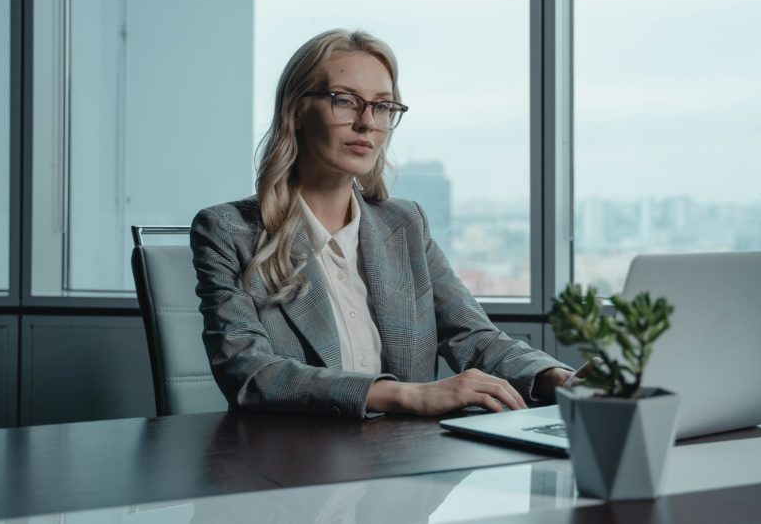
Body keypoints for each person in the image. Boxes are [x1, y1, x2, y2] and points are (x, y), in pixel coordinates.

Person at [190, 29, 573, 419]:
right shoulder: (228, 230)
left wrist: (560, 379)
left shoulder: (405, 224)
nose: (367, 123)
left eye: (383, 106)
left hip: (407, 461)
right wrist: (408, 395)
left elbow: (473, 337)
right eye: (345, 101)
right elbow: (251, 373)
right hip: (294, 464)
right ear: (297, 111)